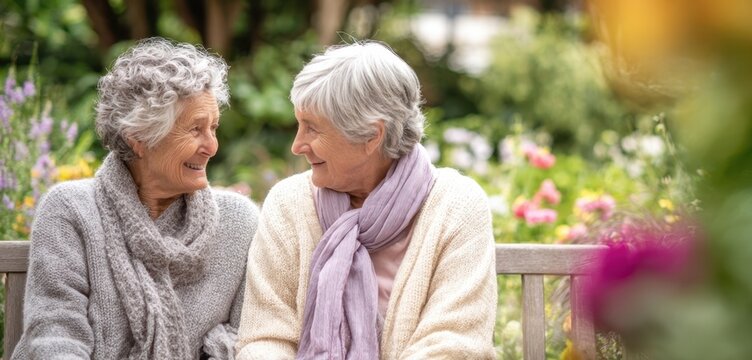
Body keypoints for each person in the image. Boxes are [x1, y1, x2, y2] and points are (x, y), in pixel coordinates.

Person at [236, 41, 497, 359]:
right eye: (298, 125)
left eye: (312, 129)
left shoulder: (457, 206)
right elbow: (265, 338)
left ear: (371, 135)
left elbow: (454, 343)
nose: (297, 145)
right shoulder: (288, 203)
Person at [11, 38, 258, 360]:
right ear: (140, 137)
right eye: (195, 129)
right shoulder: (71, 209)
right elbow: (56, 335)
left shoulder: (238, 221)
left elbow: (246, 336)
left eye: (214, 128)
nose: (212, 146)